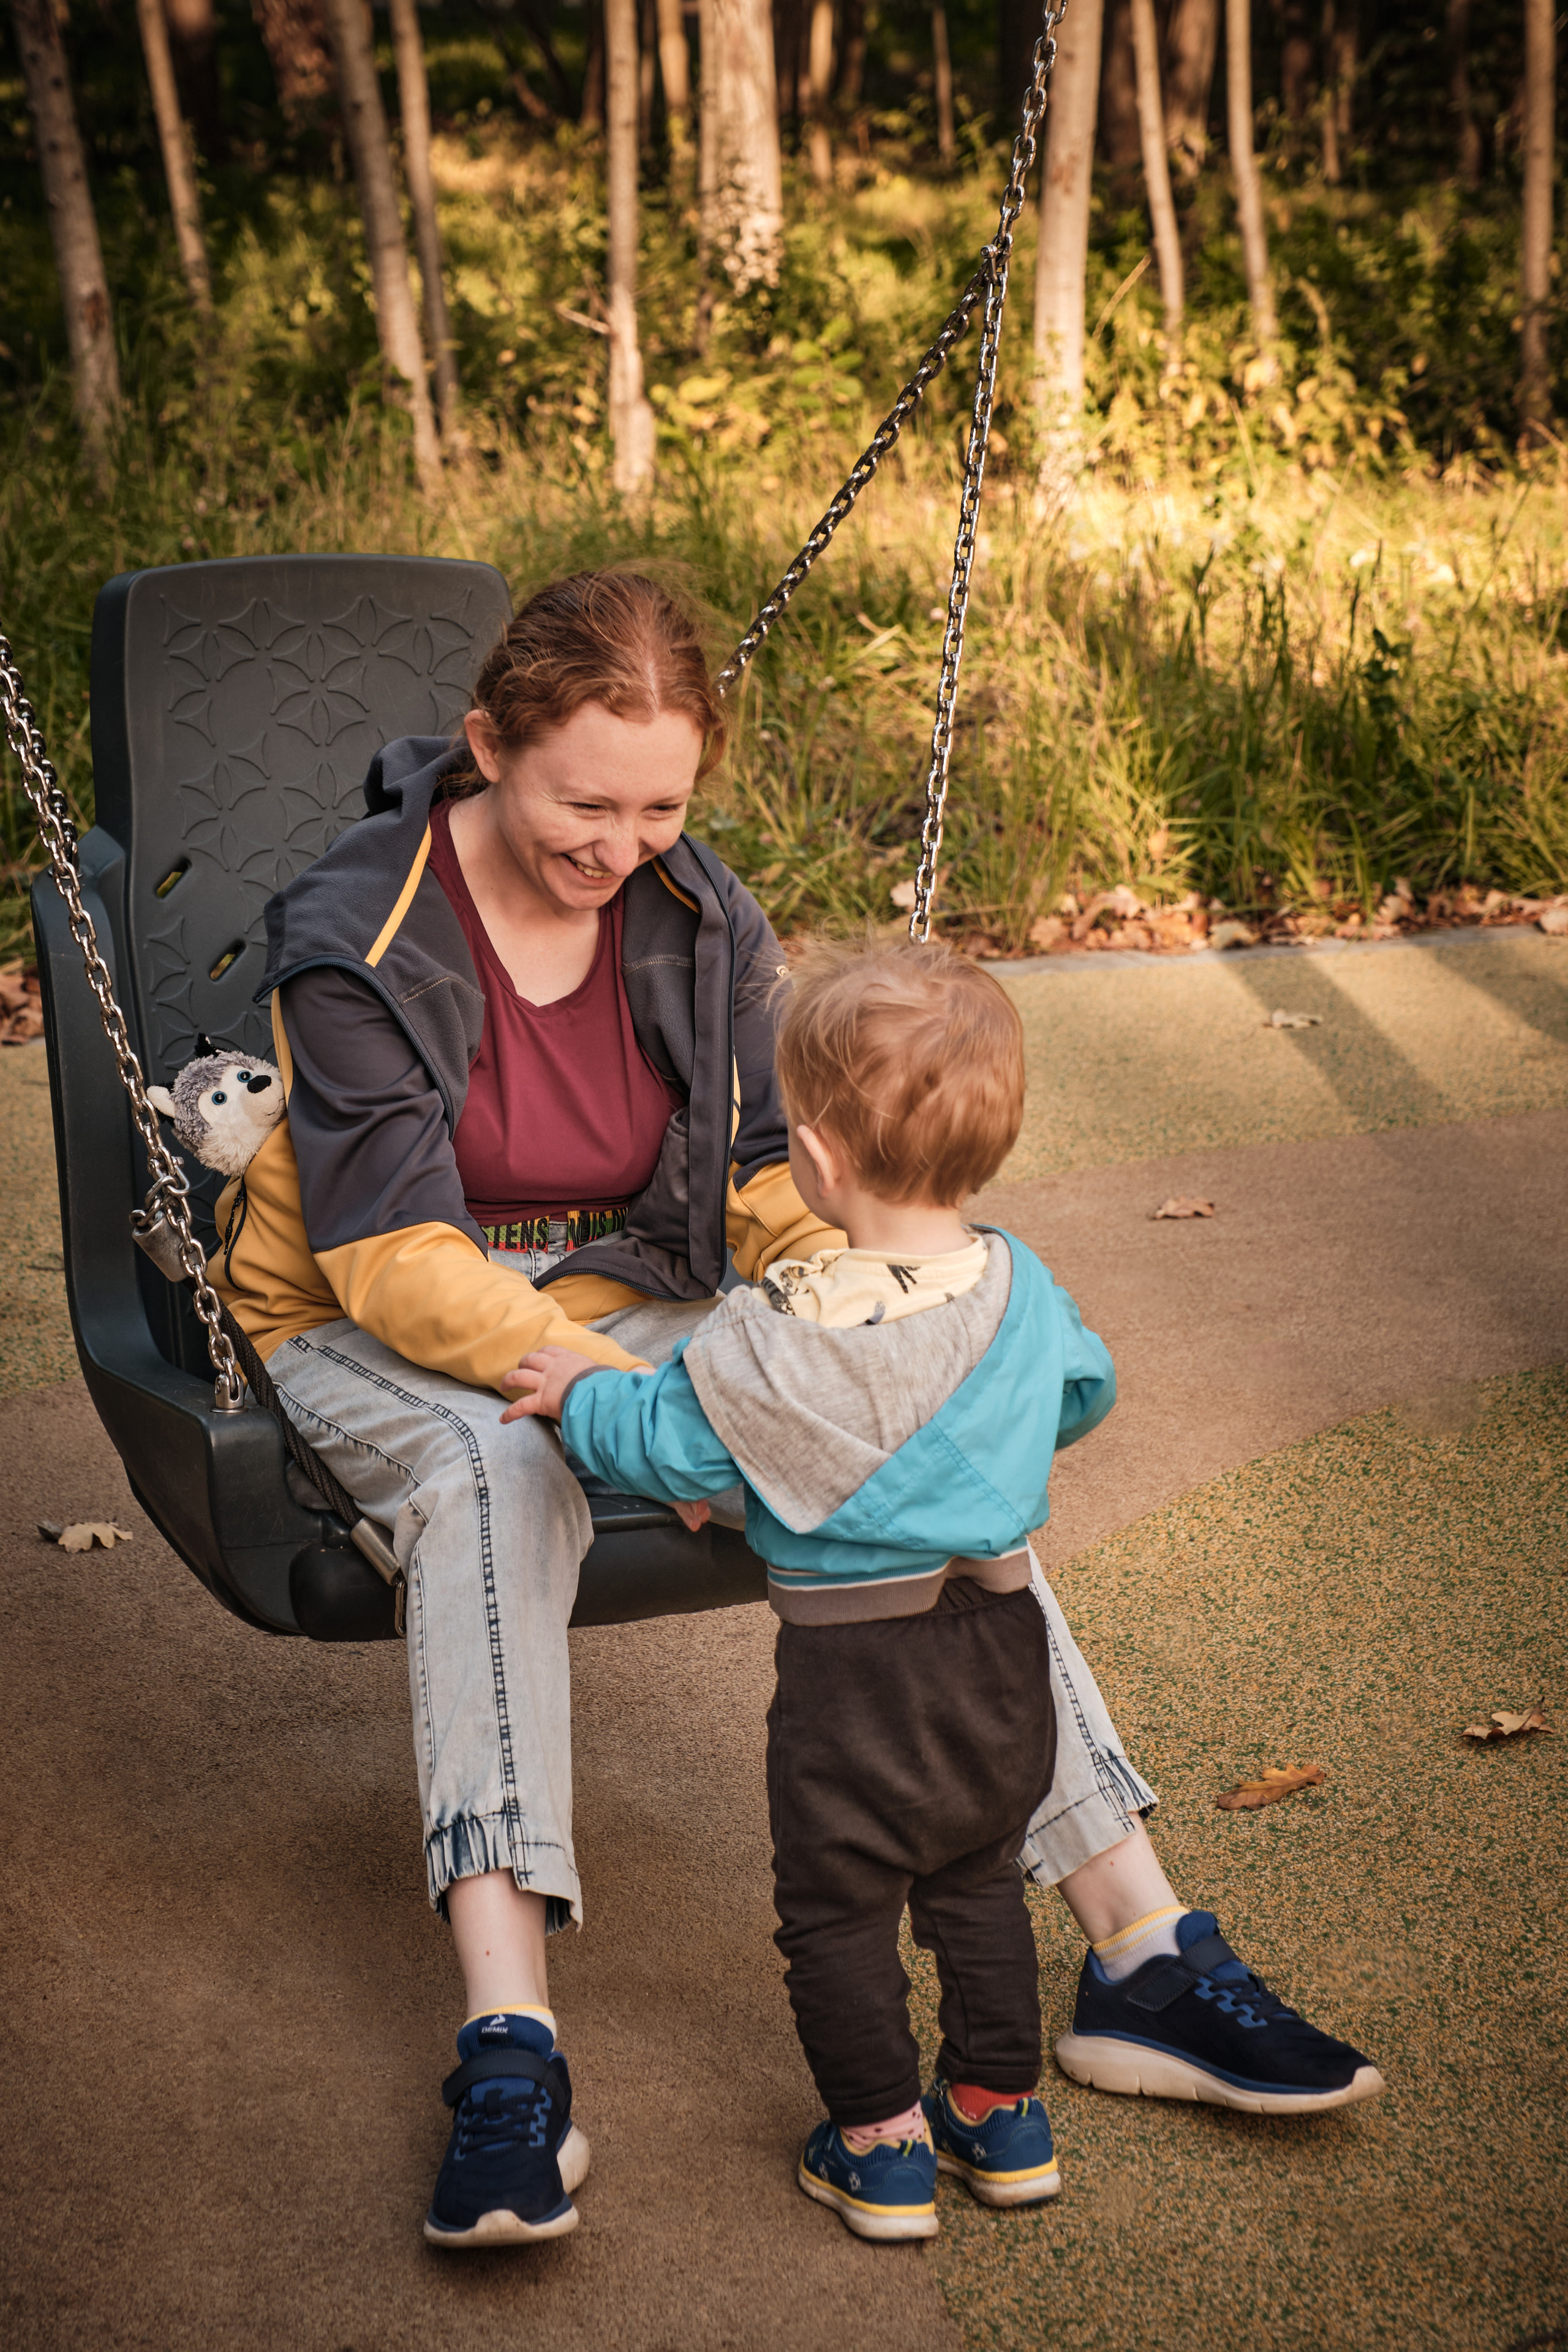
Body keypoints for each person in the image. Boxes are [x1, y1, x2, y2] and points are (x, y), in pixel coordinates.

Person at [214, 570, 1381, 2252]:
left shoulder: (700, 908)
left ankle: (1140, 1950)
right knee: (497, 1468)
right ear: (488, 750)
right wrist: (650, 1409)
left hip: (631, 1285)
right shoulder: (361, 928)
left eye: (662, 805)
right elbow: (392, 1251)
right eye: (583, 805)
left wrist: (870, 1320)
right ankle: (510, 2053)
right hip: (368, 1307)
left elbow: (760, 1178)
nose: (624, 848)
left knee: (919, 1420)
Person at [506, 941, 1383, 2240]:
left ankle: (881, 2146)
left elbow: (672, 1448)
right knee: (974, 1884)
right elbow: (1085, 1392)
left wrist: (581, 1397)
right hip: (1000, 1646)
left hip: (850, 1681)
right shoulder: (1019, 1287)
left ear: (814, 1157)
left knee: (836, 1911)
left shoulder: (768, 1328)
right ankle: (998, 2116)